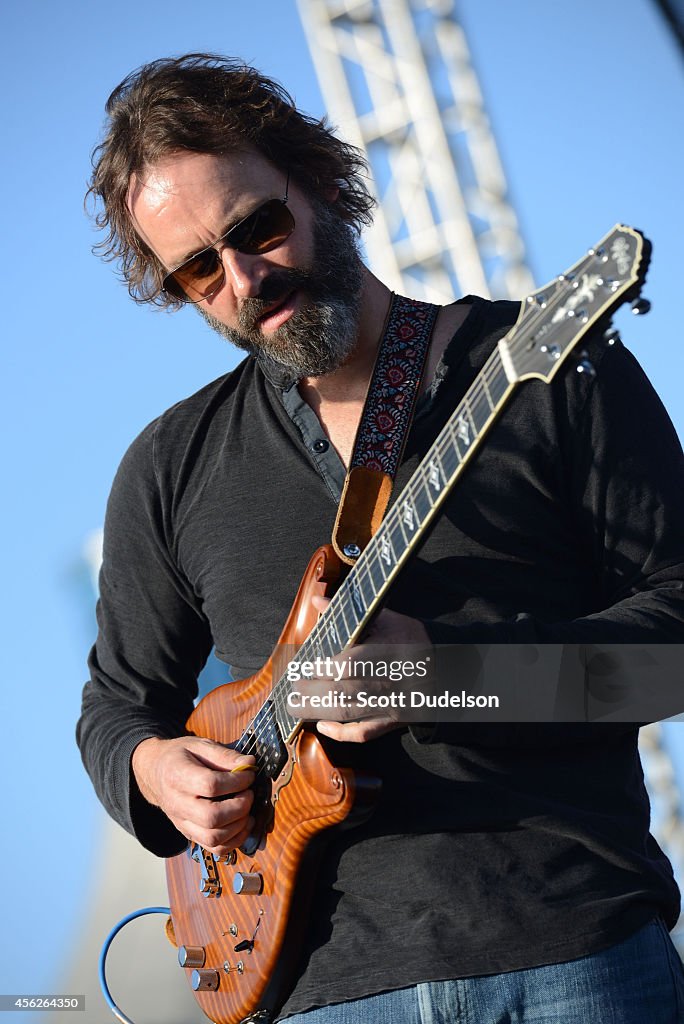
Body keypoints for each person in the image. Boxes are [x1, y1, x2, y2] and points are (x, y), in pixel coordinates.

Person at [78, 53, 684, 1023]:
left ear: (320, 180)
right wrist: (154, 772)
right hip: (322, 989)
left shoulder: (551, 372)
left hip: (574, 946)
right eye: (198, 270)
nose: (243, 279)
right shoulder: (168, 469)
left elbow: (673, 652)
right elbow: (116, 708)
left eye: (257, 227)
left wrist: (446, 677)